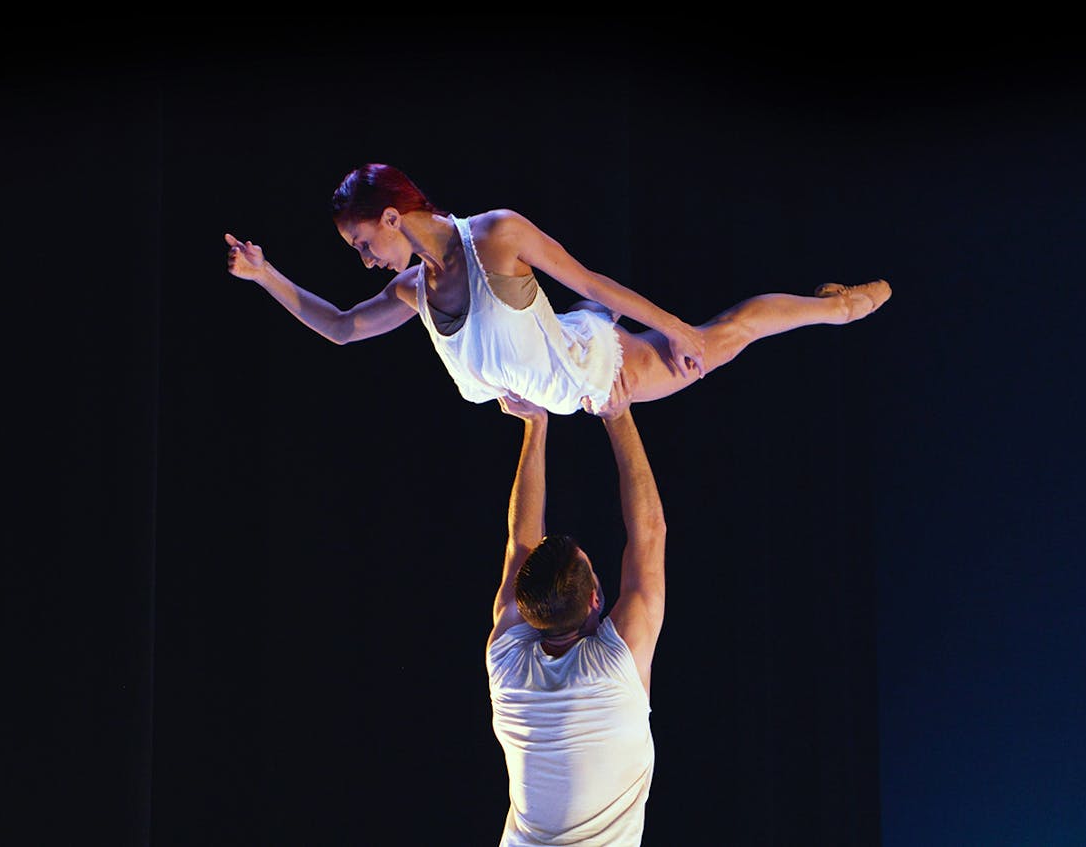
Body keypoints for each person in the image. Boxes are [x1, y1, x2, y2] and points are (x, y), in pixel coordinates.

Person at [224, 163, 890, 415]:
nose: (367, 261)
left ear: (393, 217)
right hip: (559, 351)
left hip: (599, 370)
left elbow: (590, 278)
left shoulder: (496, 235)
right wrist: (265, 275)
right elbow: (342, 327)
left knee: (727, 336)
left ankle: (843, 306)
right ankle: (835, 305)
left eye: (365, 243)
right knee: (586, 315)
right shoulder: (414, 290)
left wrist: (677, 330)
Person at [486, 379, 663, 845]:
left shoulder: (513, 659)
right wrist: (539, 424)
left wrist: (615, 415)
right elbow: (522, 547)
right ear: (595, 600)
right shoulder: (510, 664)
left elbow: (648, 534)